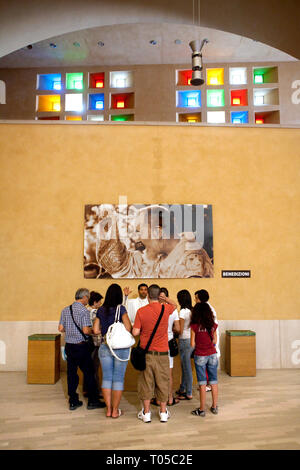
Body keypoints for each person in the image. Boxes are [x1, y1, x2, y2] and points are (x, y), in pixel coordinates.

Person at [132, 284, 176, 423]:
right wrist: (165, 298)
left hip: (147, 354)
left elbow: (135, 332)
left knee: (146, 383)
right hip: (163, 353)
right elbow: (175, 305)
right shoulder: (166, 308)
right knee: (163, 382)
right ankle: (163, 412)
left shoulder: (141, 311)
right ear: (159, 295)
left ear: (148, 295)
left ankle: (146, 413)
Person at [58, 288, 105, 411]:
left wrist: (71, 330)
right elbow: (85, 330)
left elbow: (61, 328)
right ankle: (93, 400)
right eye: (87, 297)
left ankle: (73, 401)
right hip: (81, 346)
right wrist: (94, 331)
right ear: (84, 297)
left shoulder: (65, 310)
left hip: (69, 346)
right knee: (89, 373)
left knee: (71, 374)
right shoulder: (83, 311)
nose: (88, 300)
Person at [93, 283, 132, 418]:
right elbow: (128, 328)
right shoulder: (121, 309)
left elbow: (95, 330)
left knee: (107, 378)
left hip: (104, 346)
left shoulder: (101, 310)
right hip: (120, 348)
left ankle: (108, 410)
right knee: (118, 379)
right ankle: (116, 411)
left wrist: (106, 331)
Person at [150, 287, 180, 407]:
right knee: (169, 373)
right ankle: (170, 398)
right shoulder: (172, 310)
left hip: (156, 343)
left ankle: (158, 399)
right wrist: (170, 331)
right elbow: (178, 328)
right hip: (169, 342)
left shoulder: (154, 309)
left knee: (157, 373)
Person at [190, 302, 219, 417]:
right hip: (212, 354)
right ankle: (214, 406)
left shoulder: (194, 326)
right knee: (213, 381)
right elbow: (215, 341)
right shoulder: (213, 325)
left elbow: (192, 344)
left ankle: (202, 409)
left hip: (200, 355)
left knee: (202, 383)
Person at [195, 289, 220, 392]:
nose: (195, 300)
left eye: (196, 298)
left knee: (209, 370)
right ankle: (208, 385)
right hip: (209, 342)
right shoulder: (206, 308)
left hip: (209, 343)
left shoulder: (208, 310)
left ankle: (207, 386)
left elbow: (211, 327)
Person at [83, 291, 103, 398]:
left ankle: (86, 389)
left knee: (87, 366)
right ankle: (96, 391)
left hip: (85, 341)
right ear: (95, 302)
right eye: (99, 302)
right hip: (95, 342)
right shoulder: (95, 312)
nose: (100, 304)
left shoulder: (85, 310)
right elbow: (97, 328)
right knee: (94, 367)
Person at [176, 290, 194, 400]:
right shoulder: (192, 310)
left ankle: (189, 392)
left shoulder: (182, 312)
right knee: (185, 367)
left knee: (186, 368)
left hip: (184, 340)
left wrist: (173, 329)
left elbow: (180, 330)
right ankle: (182, 388)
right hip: (191, 340)